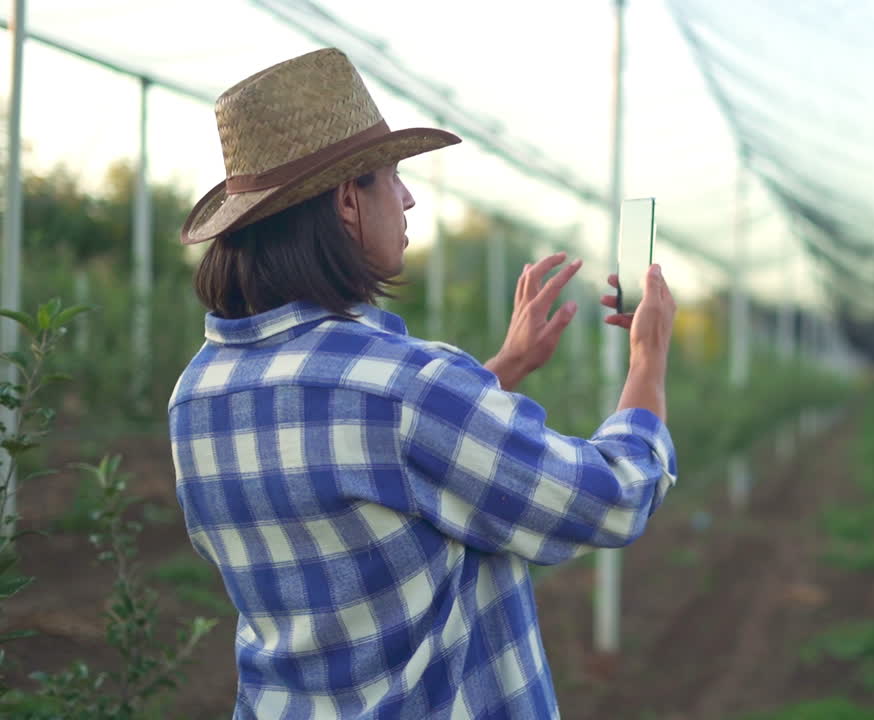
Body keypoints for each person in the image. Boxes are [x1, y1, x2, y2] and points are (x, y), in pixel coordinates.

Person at [168, 47, 678, 719]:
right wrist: (647, 360)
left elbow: (360, 459)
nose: (407, 198)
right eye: (392, 178)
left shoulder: (197, 396)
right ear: (348, 201)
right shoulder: (410, 390)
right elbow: (606, 499)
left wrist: (497, 372)